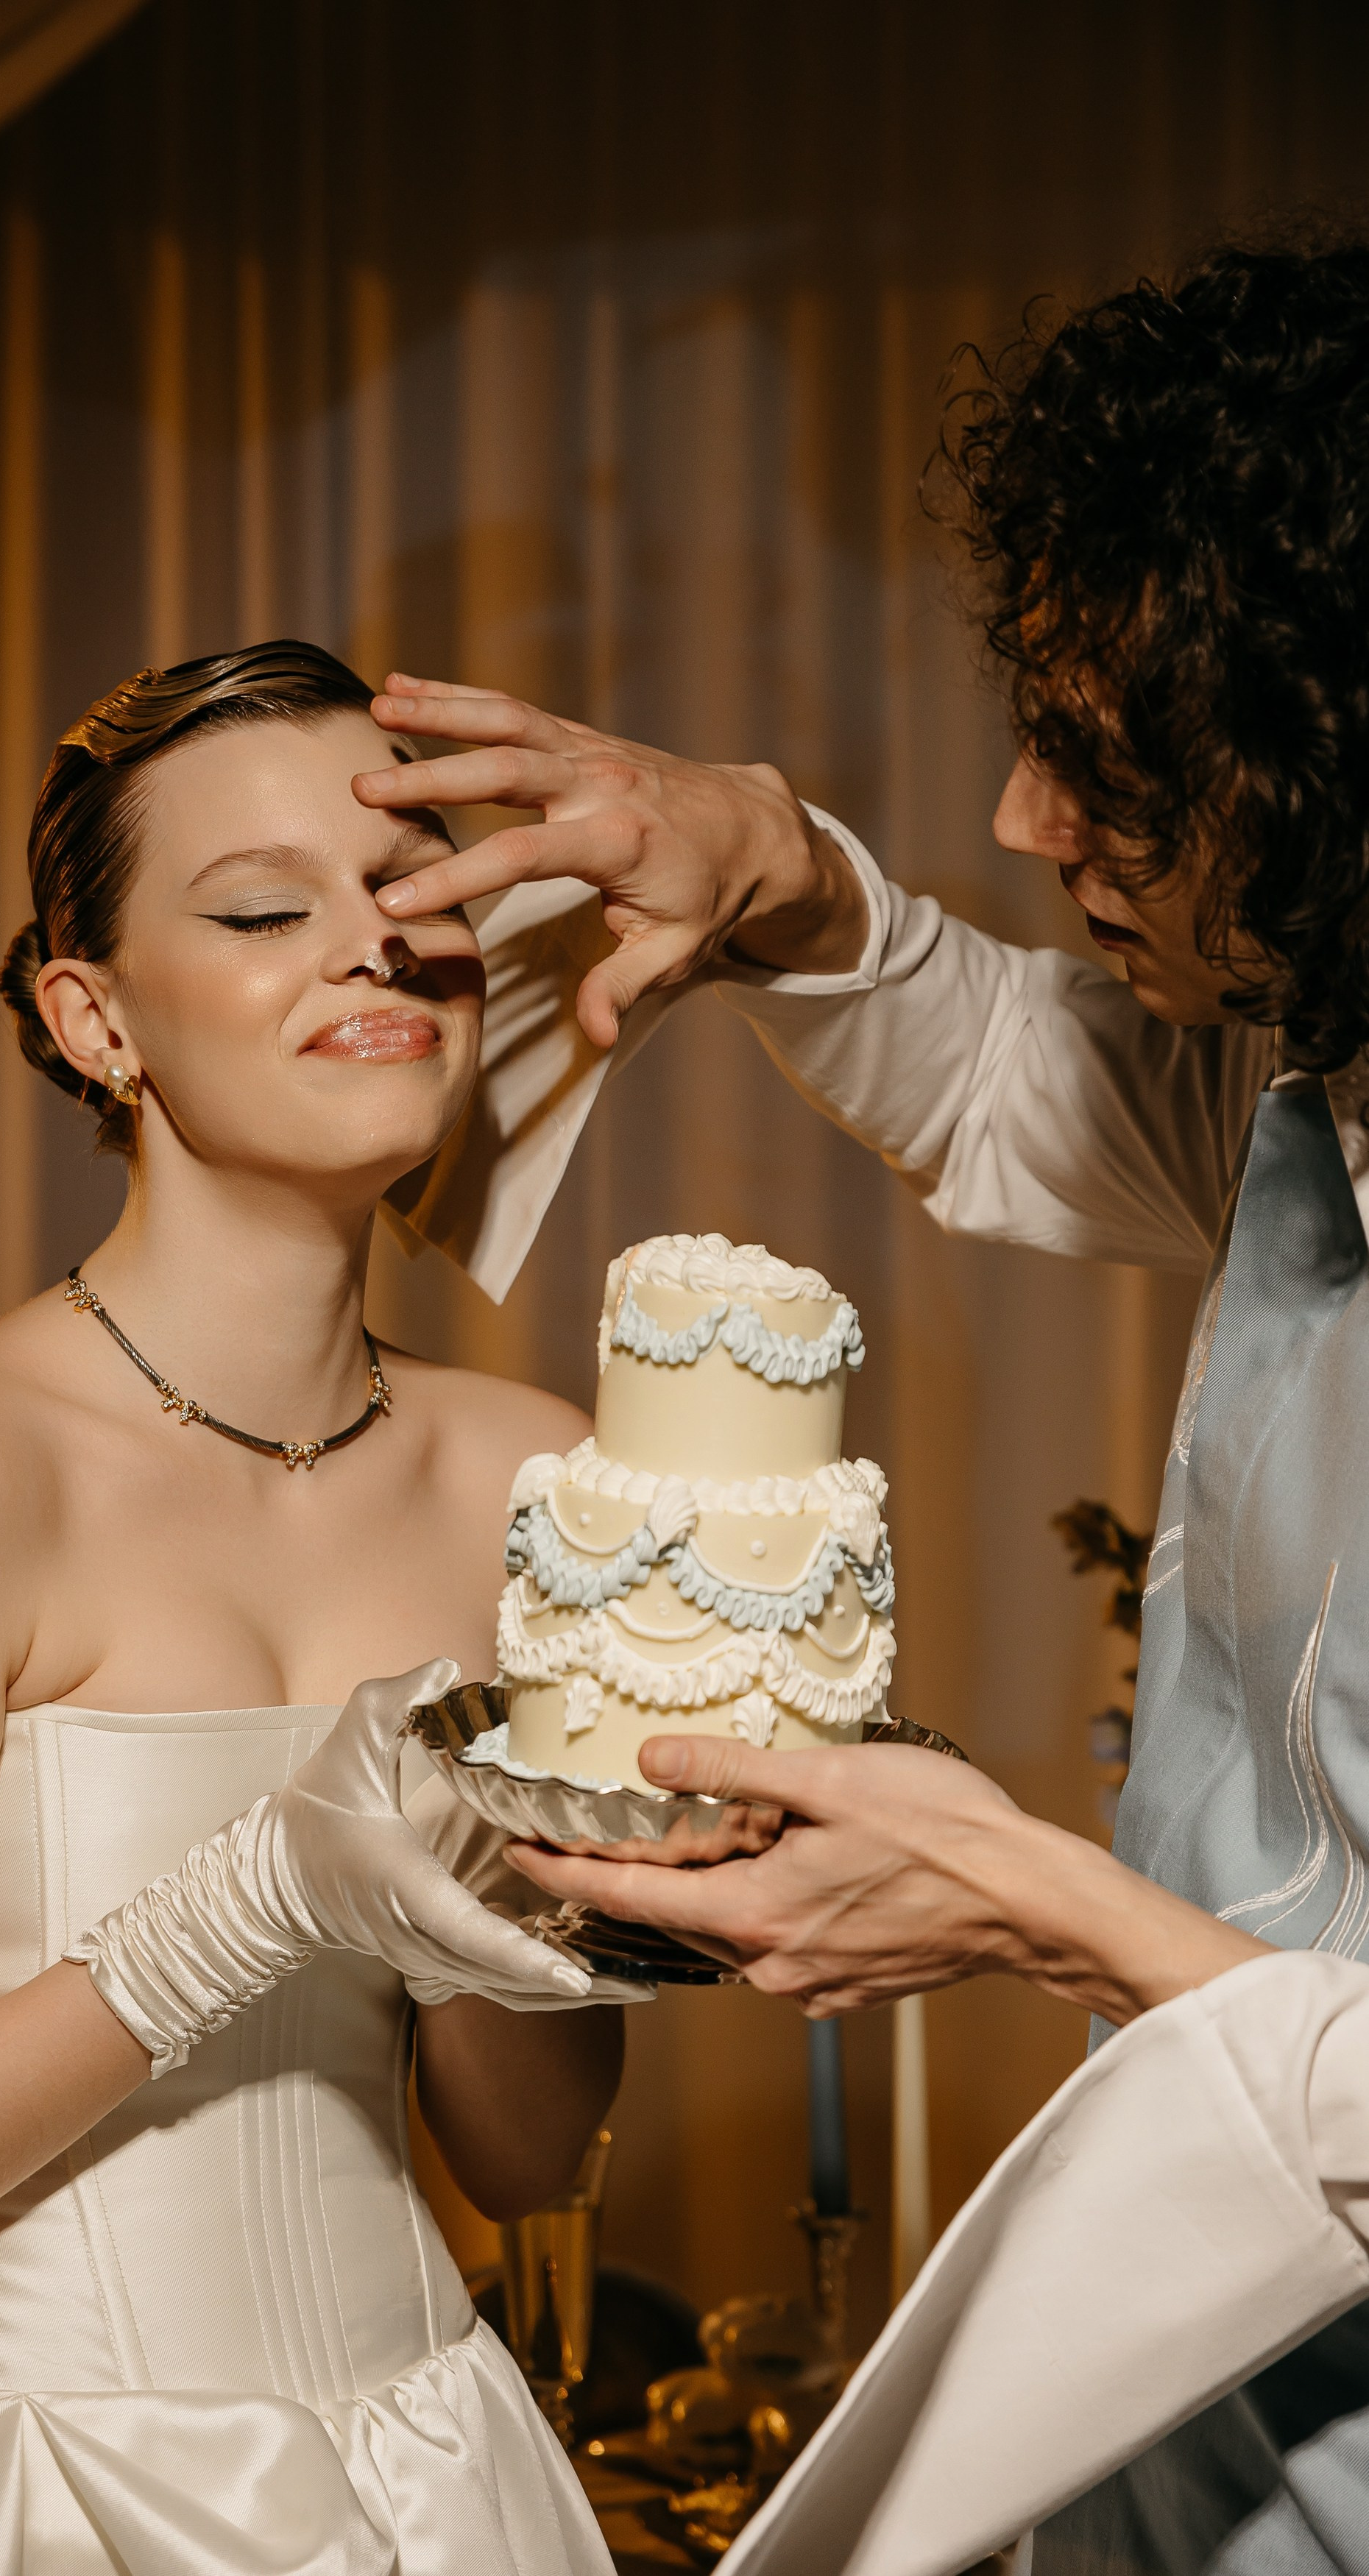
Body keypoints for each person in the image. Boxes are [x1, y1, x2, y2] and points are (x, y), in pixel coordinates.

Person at [347, 236, 1369, 2570]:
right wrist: (785, 877)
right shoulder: (1309, 1084)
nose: (1021, 817)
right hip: (1167, 2428)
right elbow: (1022, 1072)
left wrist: (1027, 1898)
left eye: (1113, 767)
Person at [0, 643, 631, 2576]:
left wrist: (516, 1882)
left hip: (431, 2484)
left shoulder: (543, 1474)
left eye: (415, 886)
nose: (375, 947)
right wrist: (258, 1897)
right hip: (30, 2486)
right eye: (266, 907)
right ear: (96, 1017)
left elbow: (528, 2157)